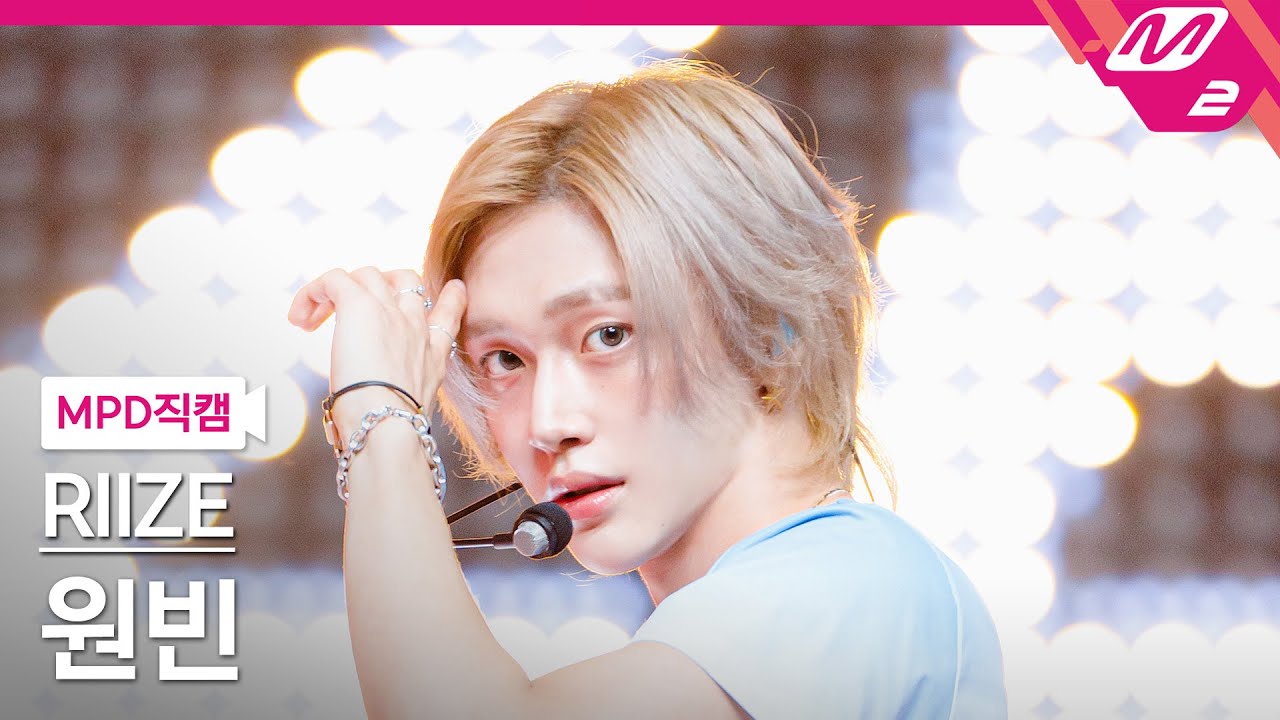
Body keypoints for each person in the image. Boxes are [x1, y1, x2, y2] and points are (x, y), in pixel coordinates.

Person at [288, 59, 1007, 719]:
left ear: (768, 327)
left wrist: (379, 418)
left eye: (609, 335)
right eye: (505, 359)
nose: (549, 421)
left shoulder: (857, 581)